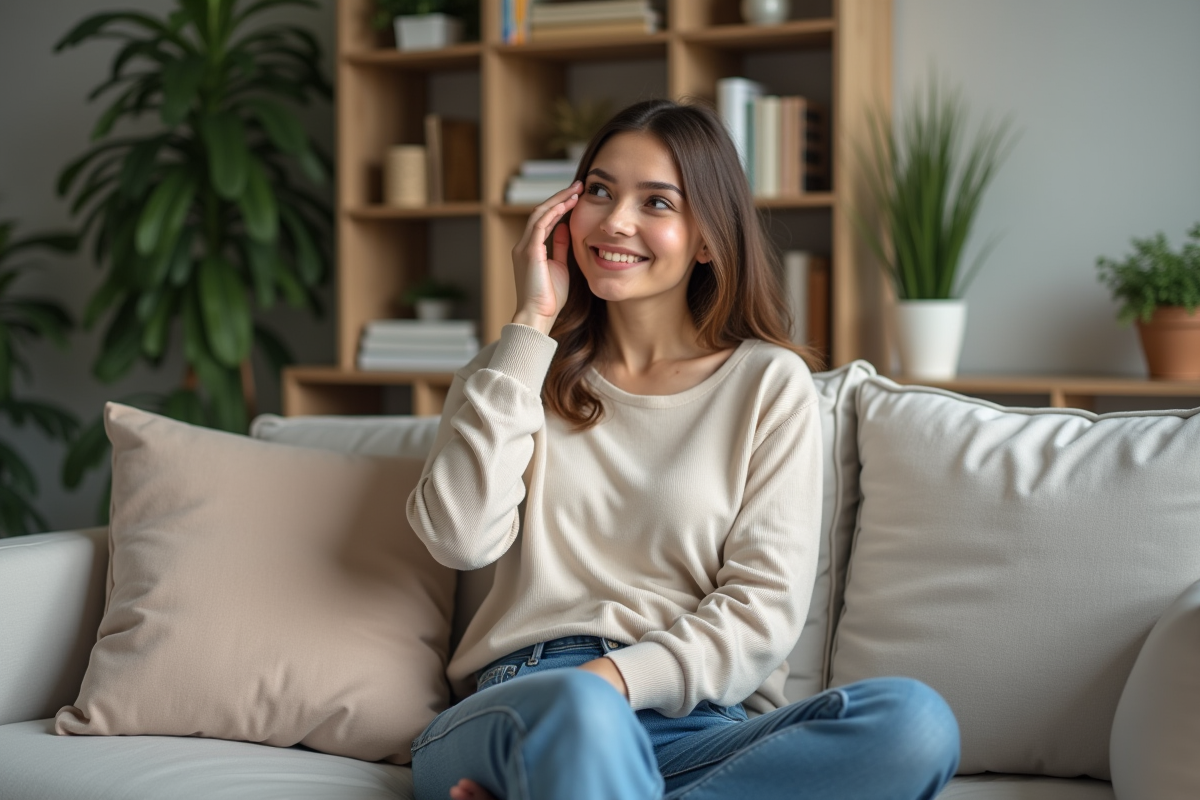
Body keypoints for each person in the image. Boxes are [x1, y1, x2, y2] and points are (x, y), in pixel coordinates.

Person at [406, 98, 960, 800]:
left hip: (694, 728)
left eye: (656, 202)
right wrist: (530, 323)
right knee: (578, 714)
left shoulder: (767, 383)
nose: (615, 222)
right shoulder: (513, 369)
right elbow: (459, 537)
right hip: (526, 705)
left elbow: (761, 611)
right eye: (599, 191)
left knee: (915, 724)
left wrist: (615, 680)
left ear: (706, 237)